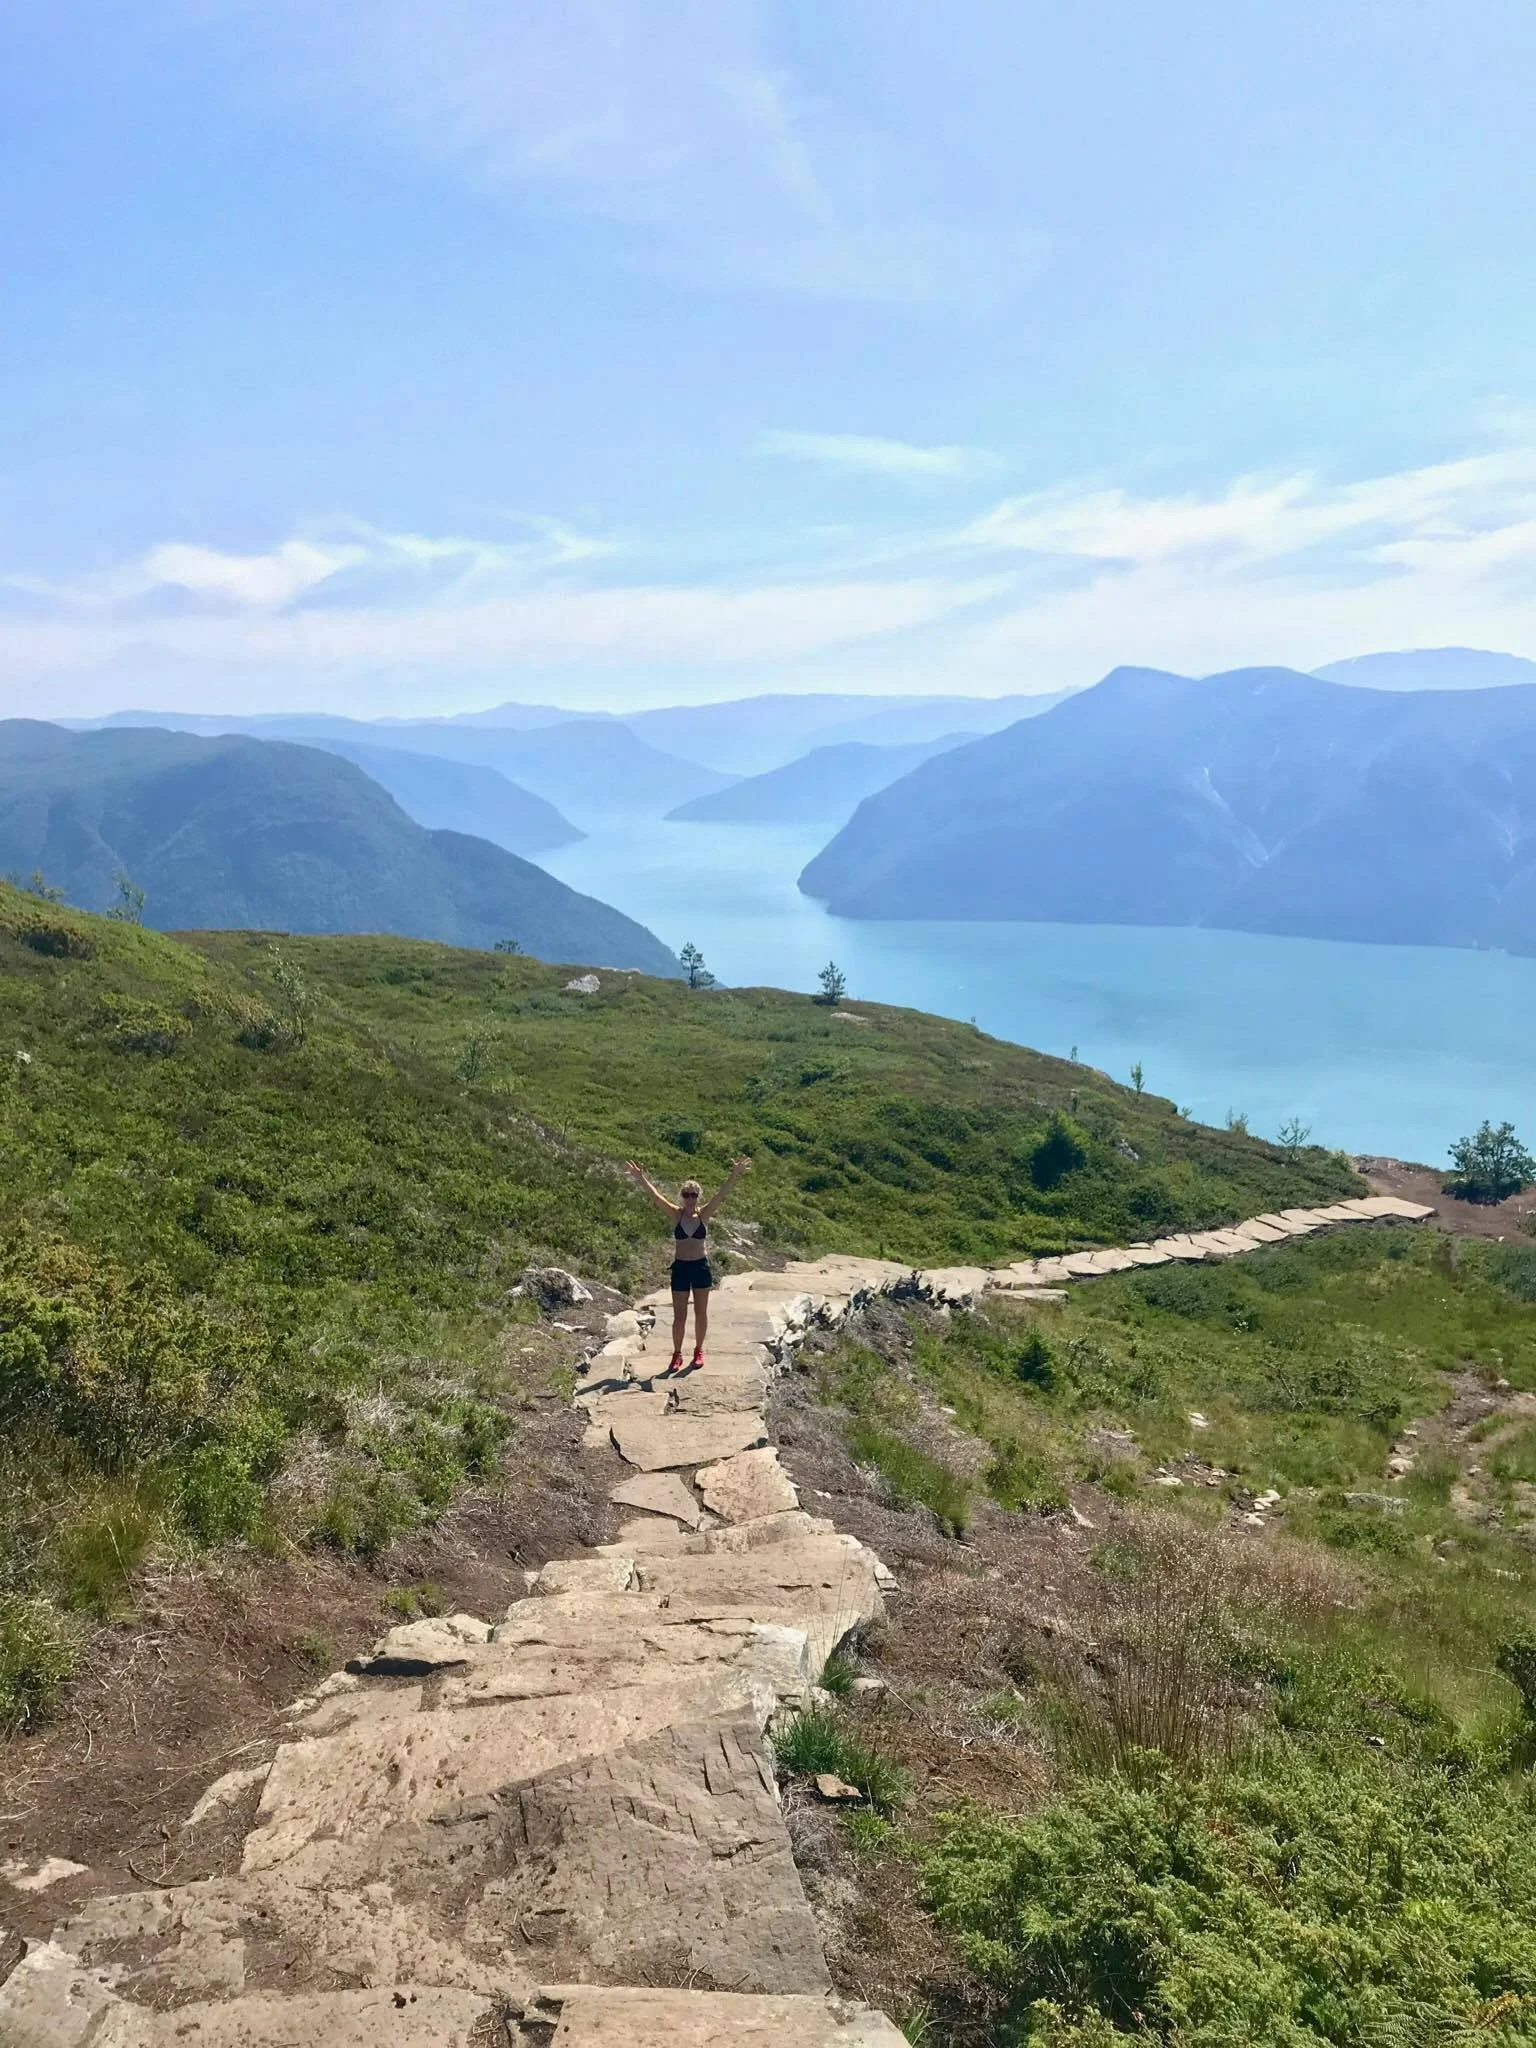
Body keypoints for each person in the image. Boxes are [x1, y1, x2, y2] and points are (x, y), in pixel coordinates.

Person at [623, 1156, 751, 1371]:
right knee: (679, 1317)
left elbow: (722, 1194)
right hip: (681, 1268)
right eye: (686, 1195)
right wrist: (640, 1177)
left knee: (701, 1312)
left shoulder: (704, 1215)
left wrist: (735, 1174)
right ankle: (676, 1354)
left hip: (700, 1267)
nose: (690, 1199)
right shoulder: (676, 1215)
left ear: (698, 1197)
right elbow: (655, 1197)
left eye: (694, 1195)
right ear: (682, 1197)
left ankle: (698, 1350)